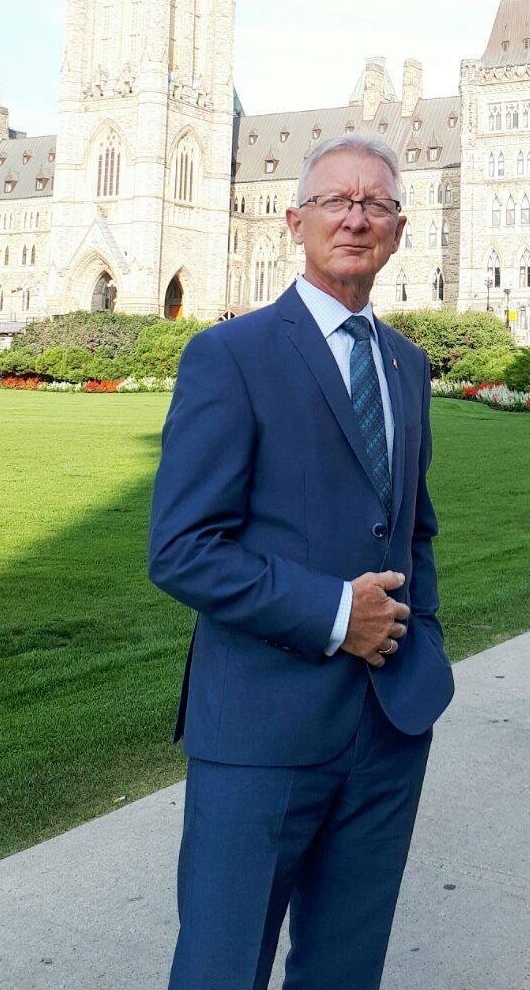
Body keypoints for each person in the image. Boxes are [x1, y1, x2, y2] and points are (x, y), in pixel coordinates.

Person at [148, 134, 454, 990]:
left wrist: (419, 638)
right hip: (260, 734)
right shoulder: (230, 356)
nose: (356, 217)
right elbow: (180, 549)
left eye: (376, 204)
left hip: (388, 729)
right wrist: (331, 614)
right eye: (335, 201)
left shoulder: (406, 365)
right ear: (296, 221)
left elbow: (413, 529)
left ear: (398, 228)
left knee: (345, 972)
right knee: (221, 968)